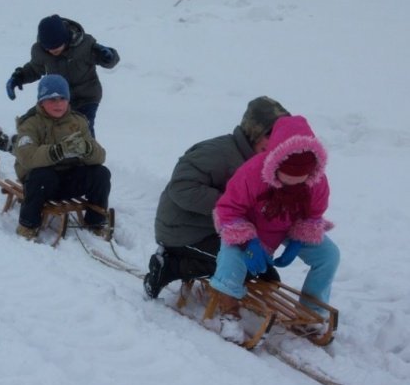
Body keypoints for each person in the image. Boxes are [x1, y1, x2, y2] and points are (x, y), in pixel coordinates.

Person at [210, 114, 340, 344]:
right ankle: (229, 313)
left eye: (299, 181)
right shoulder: (252, 173)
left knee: (328, 255)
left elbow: (313, 214)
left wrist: (299, 239)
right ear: (275, 163)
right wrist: (247, 241)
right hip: (250, 226)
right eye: (287, 179)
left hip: (288, 226)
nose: (293, 185)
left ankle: (310, 312)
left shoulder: (318, 181)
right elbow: (228, 210)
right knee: (230, 260)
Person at [144, 96, 291, 299]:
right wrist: (233, 204)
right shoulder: (218, 153)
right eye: (269, 134)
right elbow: (181, 187)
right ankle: (169, 266)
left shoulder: (262, 161)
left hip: (217, 230)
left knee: (262, 269)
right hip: (183, 231)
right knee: (239, 266)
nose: (276, 142)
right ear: (254, 132)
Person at [13, 74, 111, 240]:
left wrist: (87, 149)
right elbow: (26, 157)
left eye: (62, 98)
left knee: (101, 173)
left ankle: (96, 222)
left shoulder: (78, 121)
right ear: (41, 101)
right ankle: (27, 225)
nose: (58, 104)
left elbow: (100, 156)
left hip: (70, 177)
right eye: (52, 99)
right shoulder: (30, 123)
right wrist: (57, 151)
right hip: (42, 183)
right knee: (41, 176)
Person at [5, 14, 120, 137]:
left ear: (65, 39)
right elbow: (34, 69)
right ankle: (37, 150)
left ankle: (89, 152)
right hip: (58, 97)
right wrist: (19, 77)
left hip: (86, 96)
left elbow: (110, 61)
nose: (52, 50)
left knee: (82, 126)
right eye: (48, 48)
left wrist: (109, 57)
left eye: (56, 46)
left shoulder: (85, 45)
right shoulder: (41, 52)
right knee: (39, 123)